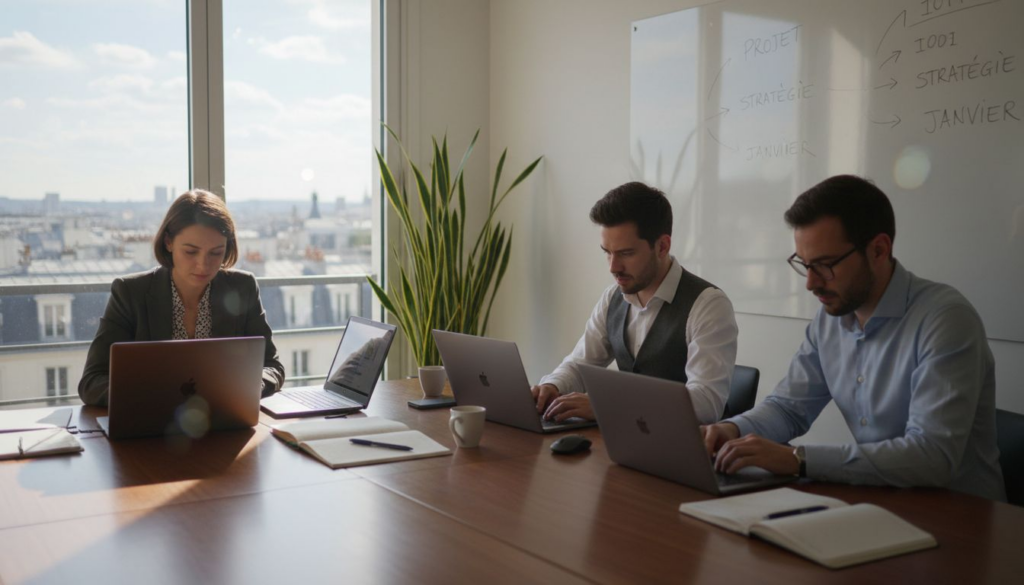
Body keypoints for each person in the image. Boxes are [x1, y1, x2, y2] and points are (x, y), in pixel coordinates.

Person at [702, 175, 1005, 501]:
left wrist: (797, 460)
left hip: (963, 519)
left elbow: (932, 457)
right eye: (804, 265)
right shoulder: (830, 318)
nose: (811, 283)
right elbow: (788, 409)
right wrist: (731, 429)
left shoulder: (945, 320)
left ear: (878, 249)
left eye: (826, 265)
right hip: (882, 501)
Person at [532, 182, 738, 424]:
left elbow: (705, 404)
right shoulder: (612, 298)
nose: (613, 267)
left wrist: (608, 406)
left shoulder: (708, 305)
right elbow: (580, 364)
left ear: (662, 246)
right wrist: (552, 385)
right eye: (607, 252)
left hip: (684, 453)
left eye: (626, 253)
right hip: (625, 444)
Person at [78, 190, 285, 406]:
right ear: (168, 242)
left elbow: (272, 367)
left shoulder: (243, 287)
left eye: (216, 252)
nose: (203, 265)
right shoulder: (130, 292)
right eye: (191, 252)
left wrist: (246, 387)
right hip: (152, 426)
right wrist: (155, 397)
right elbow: (92, 382)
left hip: (224, 422)